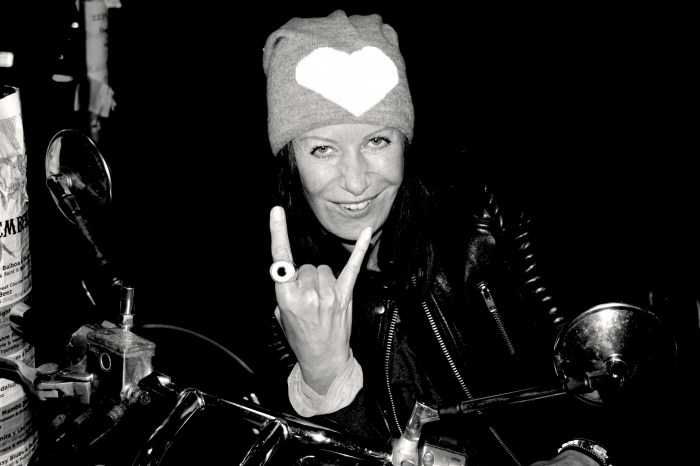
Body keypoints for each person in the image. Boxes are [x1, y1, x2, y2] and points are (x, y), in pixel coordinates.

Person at [253, 9, 615, 466]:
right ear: (290, 161)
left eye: (378, 141)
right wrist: (324, 375)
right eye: (322, 149)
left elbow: (609, 368)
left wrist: (584, 453)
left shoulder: (484, 213)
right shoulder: (287, 295)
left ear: (405, 144)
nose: (356, 182)